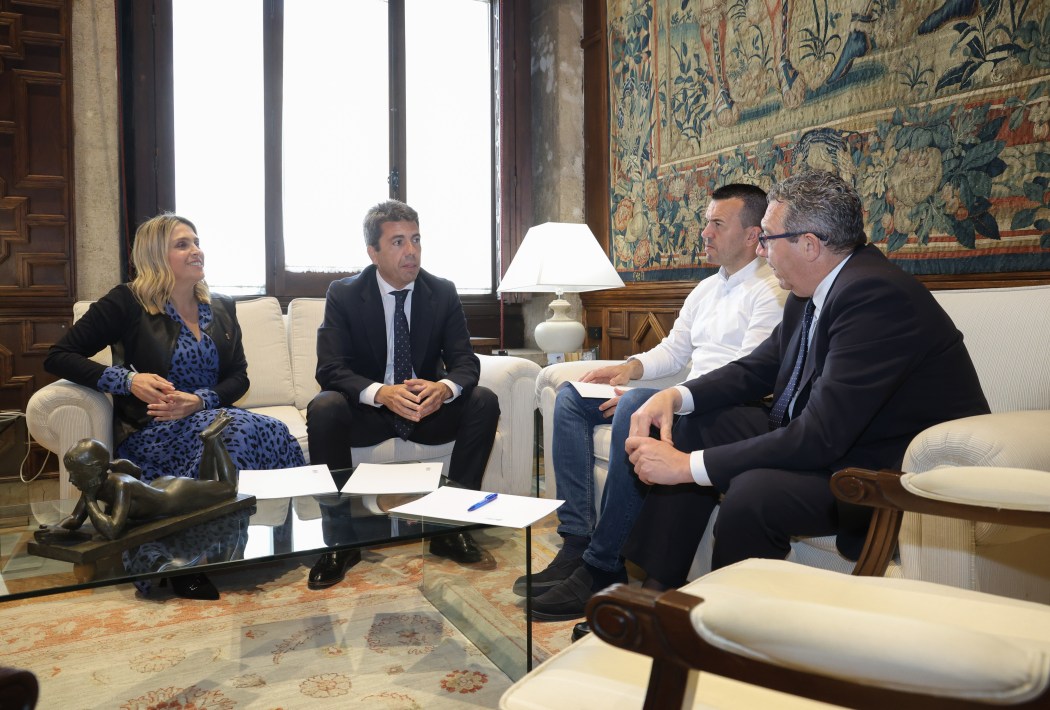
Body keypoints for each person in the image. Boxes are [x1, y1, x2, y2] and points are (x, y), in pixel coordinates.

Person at [619, 169, 989, 596]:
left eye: (767, 239)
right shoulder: (808, 291)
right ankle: (658, 588)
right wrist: (676, 395)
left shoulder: (876, 297)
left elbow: (821, 435)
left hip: (883, 471)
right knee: (701, 423)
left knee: (752, 494)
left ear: (809, 245)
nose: (761, 251)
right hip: (833, 444)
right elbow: (755, 369)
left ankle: (731, 625)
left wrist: (686, 467)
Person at [524, 184, 786, 619]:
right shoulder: (706, 289)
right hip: (679, 395)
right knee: (571, 397)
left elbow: (746, 374)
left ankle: (603, 566)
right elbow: (675, 350)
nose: (705, 232)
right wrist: (628, 368)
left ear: (751, 235)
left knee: (632, 408)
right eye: (706, 222)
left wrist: (665, 397)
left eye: (717, 224)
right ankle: (576, 541)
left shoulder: (771, 291)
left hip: (719, 405)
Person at [45, 213, 306, 598]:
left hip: (209, 417)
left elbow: (239, 377)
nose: (196, 250)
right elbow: (58, 355)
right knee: (232, 433)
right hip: (153, 433)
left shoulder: (221, 307)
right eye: (183, 244)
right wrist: (128, 381)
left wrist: (199, 400)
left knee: (268, 429)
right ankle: (188, 558)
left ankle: (281, 540)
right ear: (155, 255)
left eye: (196, 242)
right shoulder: (127, 302)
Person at [305, 199, 499, 589]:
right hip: (371, 413)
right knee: (324, 406)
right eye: (398, 242)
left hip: (425, 411)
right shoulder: (344, 293)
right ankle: (341, 541)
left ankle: (450, 528)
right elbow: (330, 368)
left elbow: (465, 362)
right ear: (373, 252)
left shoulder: (441, 291)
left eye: (416, 239)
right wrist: (381, 393)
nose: (411, 251)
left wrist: (443, 388)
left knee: (484, 400)